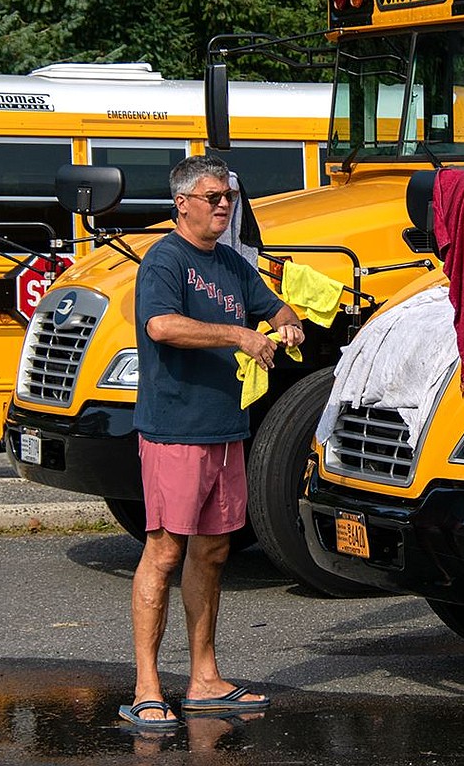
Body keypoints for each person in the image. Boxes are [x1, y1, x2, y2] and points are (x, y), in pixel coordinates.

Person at [118, 155, 305, 729]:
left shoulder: (229, 261)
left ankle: (204, 679)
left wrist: (286, 321)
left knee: (214, 550)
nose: (224, 205)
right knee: (165, 550)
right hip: (175, 430)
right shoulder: (164, 261)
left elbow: (272, 303)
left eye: (228, 196)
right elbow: (160, 326)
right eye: (212, 197)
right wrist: (240, 335)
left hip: (227, 428)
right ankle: (147, 685)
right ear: (182, 203)